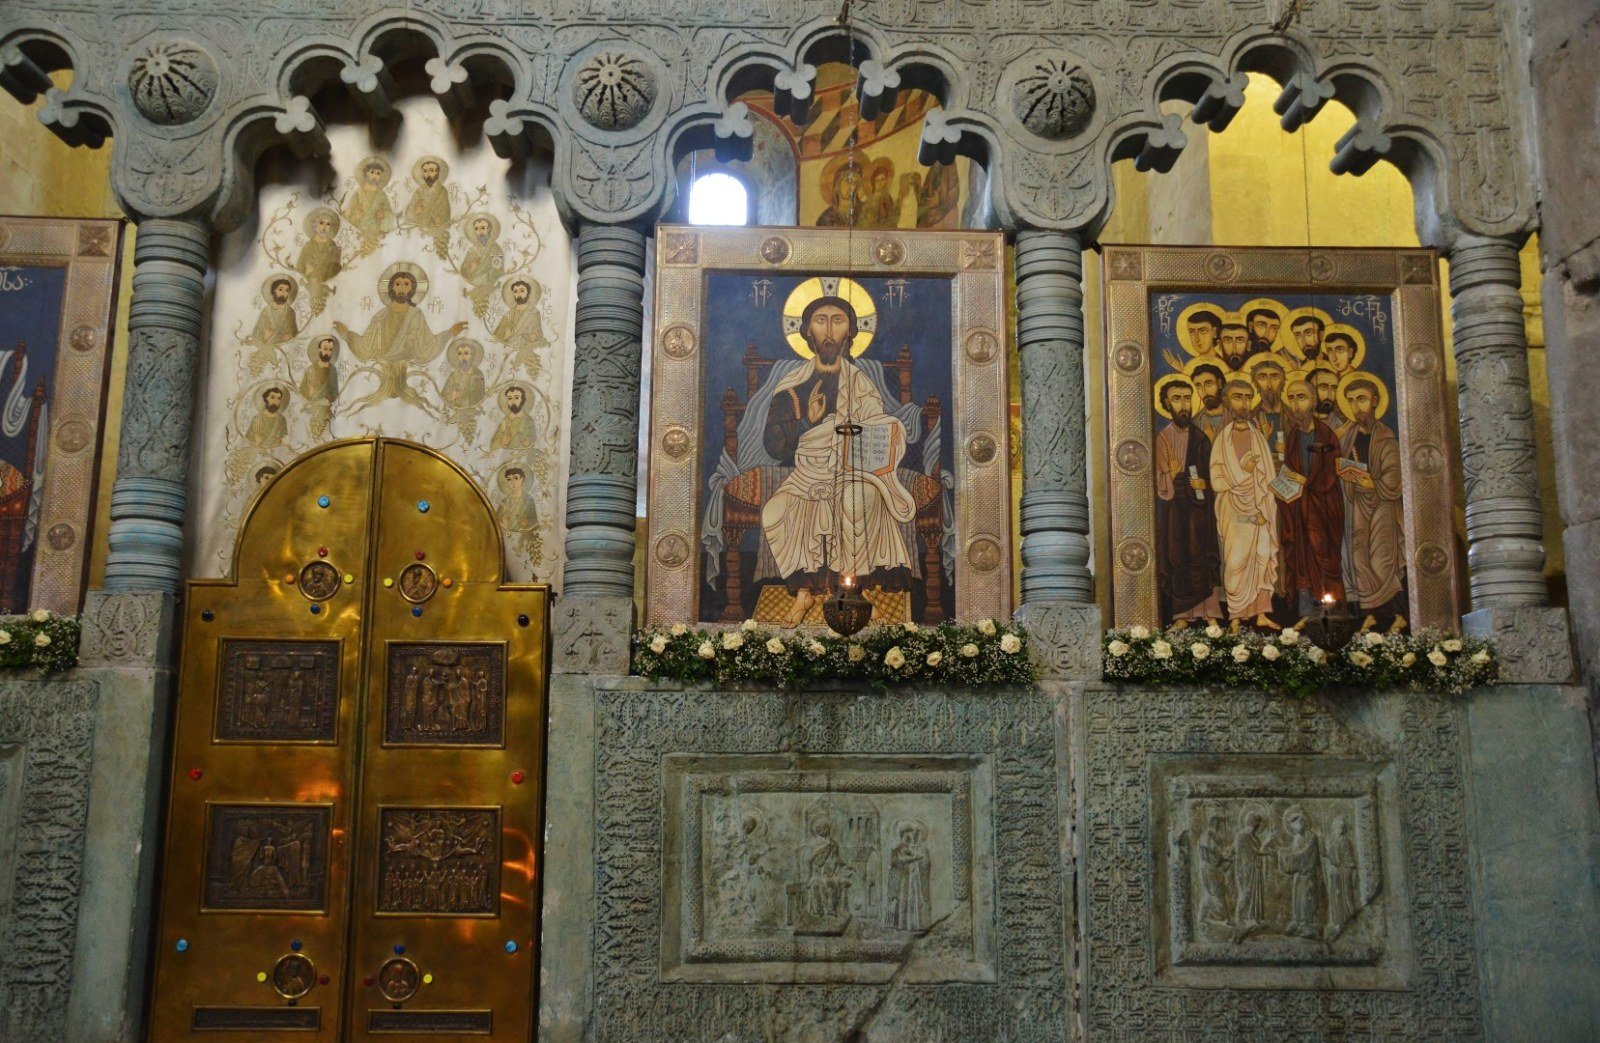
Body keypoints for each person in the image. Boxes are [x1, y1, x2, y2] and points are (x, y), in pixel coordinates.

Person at [760, 295, 916, 627]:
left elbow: (879, 427)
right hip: (807, 474)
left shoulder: (859, 382)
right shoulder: (792, 386)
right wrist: (808, 422)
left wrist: (862, 432)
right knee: (773, 512)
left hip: (853, 472)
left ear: (851, 331)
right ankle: (803, 592)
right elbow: (774, 445)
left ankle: (856, 588)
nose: (829, 330)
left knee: (856, 501)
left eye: (838, 320)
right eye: (820, 320)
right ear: (805, 331)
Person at [332, 267, 467, 410]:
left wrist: (449, 333)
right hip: (384, 368)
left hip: (403, 370)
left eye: (406, 284)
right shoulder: (380, 316)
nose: (402, 288)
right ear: (391, 288)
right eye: (398, 284)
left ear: (412, 289)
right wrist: (347, 334)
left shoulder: (416, 315)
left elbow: (426, 346)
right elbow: (367, 345)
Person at [1209, 379, 1279, 628]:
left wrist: (1265, 508)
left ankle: (1261, 614)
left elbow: (1267, 477)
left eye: (1248, 397)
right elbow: (1217, 482)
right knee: (1236, 562)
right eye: (1238, 397)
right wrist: (1243, 471)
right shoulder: (1222, 441)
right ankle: (1236, 616)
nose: (1244, 403)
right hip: (1234, 511)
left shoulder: (1258, 437)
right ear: (1227, 402)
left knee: (1261, 558)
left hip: (1259, 510)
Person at [1338, 376, 1405, 630]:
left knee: (1382, 559)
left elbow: (1394, 478)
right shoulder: (1348, 438)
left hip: (1382, 506)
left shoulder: (1386, 438)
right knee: (1358, 558)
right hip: (1356, 505)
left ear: (1375, 401)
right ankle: (1372, 612)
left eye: (1362, 400)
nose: (1357, 408)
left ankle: (1398, 615)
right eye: (1352, 402)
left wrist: (1372, 484)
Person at [1154, 378, 1222, 623]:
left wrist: (1205, 484)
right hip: (1175, 509)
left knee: (1200, 556)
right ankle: (1181, 616)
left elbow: (1213, 475)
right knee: (1176, 557)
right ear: (1165, 403)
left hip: (1199, 510)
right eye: (1176, 399)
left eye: (1186, 398)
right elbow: (1160, 482)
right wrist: (1170, 475)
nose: (1183, 405)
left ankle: (1210, 614)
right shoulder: (1162, 438)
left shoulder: (1201, 439)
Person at [1277, 376, 1346, 617]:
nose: (1296, 405)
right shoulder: (1293, 436)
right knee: (1302, 560)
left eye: (1302, 398)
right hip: (1298, 510)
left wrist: (1306, 483)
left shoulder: (1326, 435)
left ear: (1314, 400)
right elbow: (1290, 470)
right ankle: (1306, 614)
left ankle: (1332, 613)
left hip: (1323, 509)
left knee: (1324, 556)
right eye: (1292, 399)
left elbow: (1331, 472)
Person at [1278, 806, 1322, 939]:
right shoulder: (1296, 838)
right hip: (1298, 874)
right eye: (1292, 828)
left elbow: (1305, 853)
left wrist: (1289, 857)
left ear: (1302, 822)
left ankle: (1307, 924)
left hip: (1308, 873)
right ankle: (1297, 922)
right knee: (1297, 897)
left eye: (1295, 826)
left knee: (1307, 898)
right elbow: (1293, 850)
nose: (1294, 830)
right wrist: (1283, 852)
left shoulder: (1312, 837)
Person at [492, 278, 551, 368]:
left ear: (528, 293)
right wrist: (505, 336)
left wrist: (534, 336)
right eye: (515, 291)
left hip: (525, 355)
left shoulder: (534, 313)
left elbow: (539, 334)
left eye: (522, 290)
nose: (518, 294)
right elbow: (496, 338)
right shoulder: (509, 315)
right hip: (508, 354)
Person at [887, 821, 932, 931]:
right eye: (906, 834)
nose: (909, 836)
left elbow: (922, 861)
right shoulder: (896, 849)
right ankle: (900, 925)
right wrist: (916, 858)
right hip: (899, 880)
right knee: (901, 901)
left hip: (910, 879)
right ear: (901, 835)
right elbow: (899, 860)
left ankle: (911, 925)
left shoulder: (912, 849)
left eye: (910, 834)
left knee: (910, 901)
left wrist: (917, 857)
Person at [1248, 355, 1288, 470]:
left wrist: (1289, 450)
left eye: (1275, 377)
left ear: (1283, 382)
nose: (1269, 385)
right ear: (1255, 384)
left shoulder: (1293, 418)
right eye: (1263, 377)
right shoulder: (1249, 419)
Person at [343, 157, 396, 241]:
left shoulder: (381, 194)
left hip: (376, 232)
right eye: (372, 172)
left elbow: (389, 214)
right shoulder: (358, 193)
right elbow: (348, 216)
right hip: (359, 231)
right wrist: (356, 216)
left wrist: (383, 216)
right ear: (366, 174)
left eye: (378, 173)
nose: (375, 176)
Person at [297, 335, 339, 439]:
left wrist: (326, 397)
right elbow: (302, 392)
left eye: (330, 350)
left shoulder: (333, 370)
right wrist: (310, 393)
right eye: (325, 349)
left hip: (325, 410)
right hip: (312, 411)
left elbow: (335, 392)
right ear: (319, 349)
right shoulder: (310, 370)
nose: (327, 352)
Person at [245, 277, 299, 348]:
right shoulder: (266, 312)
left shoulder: (290, 312)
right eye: (280, 289)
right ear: (274, 291)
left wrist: (290, 337)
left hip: (284, 348)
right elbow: (256, 336)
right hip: (267, 348)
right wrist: (264, 337)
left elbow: (295, 334)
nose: (283, 293)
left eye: (287, 290)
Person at [404, 156, 452, 232]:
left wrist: (439, 220)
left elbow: (445, 214)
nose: (428, 174)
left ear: (437, 172)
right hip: (419, 229)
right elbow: (409, 214)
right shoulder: (419, 191)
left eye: (431, 170)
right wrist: (415, 212)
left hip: (435, 230)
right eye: (425, 171)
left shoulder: (442, 191)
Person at [488, 385, 537, 453]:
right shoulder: (504, 421)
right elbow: (494, 443)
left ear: (523, 400)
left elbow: (534, 439)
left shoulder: (528, 420)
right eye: (510, 398)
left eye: (516, 398)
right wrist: (503, 443)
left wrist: (528, 442)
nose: (513, 401)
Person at [441, 338, 487, 410]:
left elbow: (478, 398)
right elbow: (443, 396)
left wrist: (457, 400)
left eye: (466, 353)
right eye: (459, 353)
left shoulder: (477, 375)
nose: (463, 357)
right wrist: (451, 396)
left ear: (472, 356)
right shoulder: (454, 375)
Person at [816, 160, 865, 227]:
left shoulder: (864, 210)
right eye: (848, 181)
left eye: (856, 183)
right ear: (838, 183)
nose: (853, 187)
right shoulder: (826, 218)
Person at [1189, 362, 1229, 440]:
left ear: (1219, 383)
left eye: (1208, 384)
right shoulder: (1195, 423)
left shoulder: (1236, 417)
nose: (1204, 391)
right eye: (1198, 386)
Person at [497, 465, 539, 532]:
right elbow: (496, 521)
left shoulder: (529, 500)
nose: (512, 482)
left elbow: (535, 521)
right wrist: (503, 521)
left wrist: (527, 522)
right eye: (509, 479)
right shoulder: (504, 502)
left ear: (522, 479)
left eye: (516, 478)